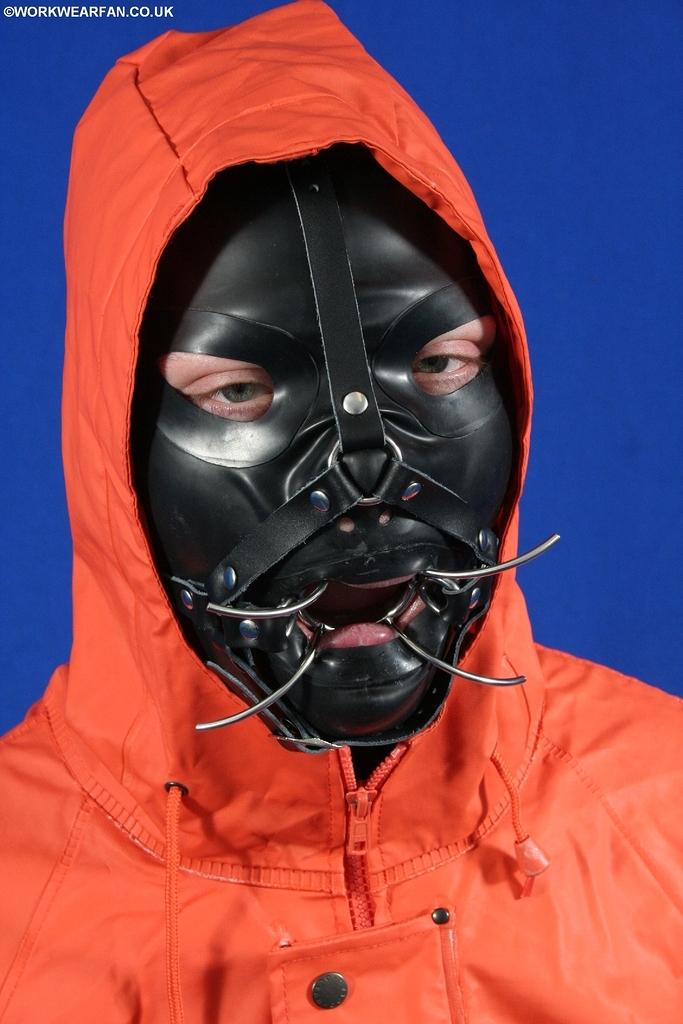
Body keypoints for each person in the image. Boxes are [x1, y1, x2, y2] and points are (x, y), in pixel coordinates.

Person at [0, 2, 680, 1021]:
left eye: (438, 363)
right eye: (238, 390)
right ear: (112, 438)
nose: (365, 469)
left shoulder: (664, 812)